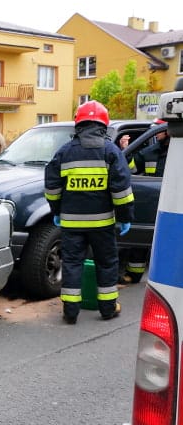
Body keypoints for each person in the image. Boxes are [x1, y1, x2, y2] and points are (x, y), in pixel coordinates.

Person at [44, 100, 134, 324]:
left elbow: (52, 188)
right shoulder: (111, 152)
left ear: (78, 124)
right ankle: (108, 308)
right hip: (102, 224)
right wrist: (124, 218)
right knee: (106, 263)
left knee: (73, 263)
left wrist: (57, 210)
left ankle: (71, 312)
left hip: (72, 224)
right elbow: (121, 189)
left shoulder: (64, 152)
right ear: (104, 124)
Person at [119, 119, 169, 283]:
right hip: (152, 202)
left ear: (169, 131)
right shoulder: (150, 151)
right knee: (140, 242)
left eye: (159, 129)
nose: (156, 132)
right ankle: (133, 275)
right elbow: (131, 168)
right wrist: (125, 150)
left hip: (173, 205)